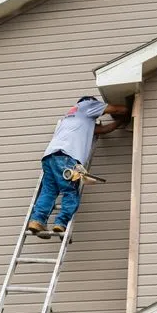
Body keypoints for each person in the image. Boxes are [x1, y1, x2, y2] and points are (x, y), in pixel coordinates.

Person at [28, 96, 129, 236]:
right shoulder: (87, 105)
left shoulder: (72, 117)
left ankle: (37, 220)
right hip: (67, 156)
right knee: (70, 191)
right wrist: (130, 109)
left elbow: (103, 130)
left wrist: (119, 122)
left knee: (49, 192)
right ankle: (60, 223)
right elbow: (119, 109)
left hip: (50, 157)